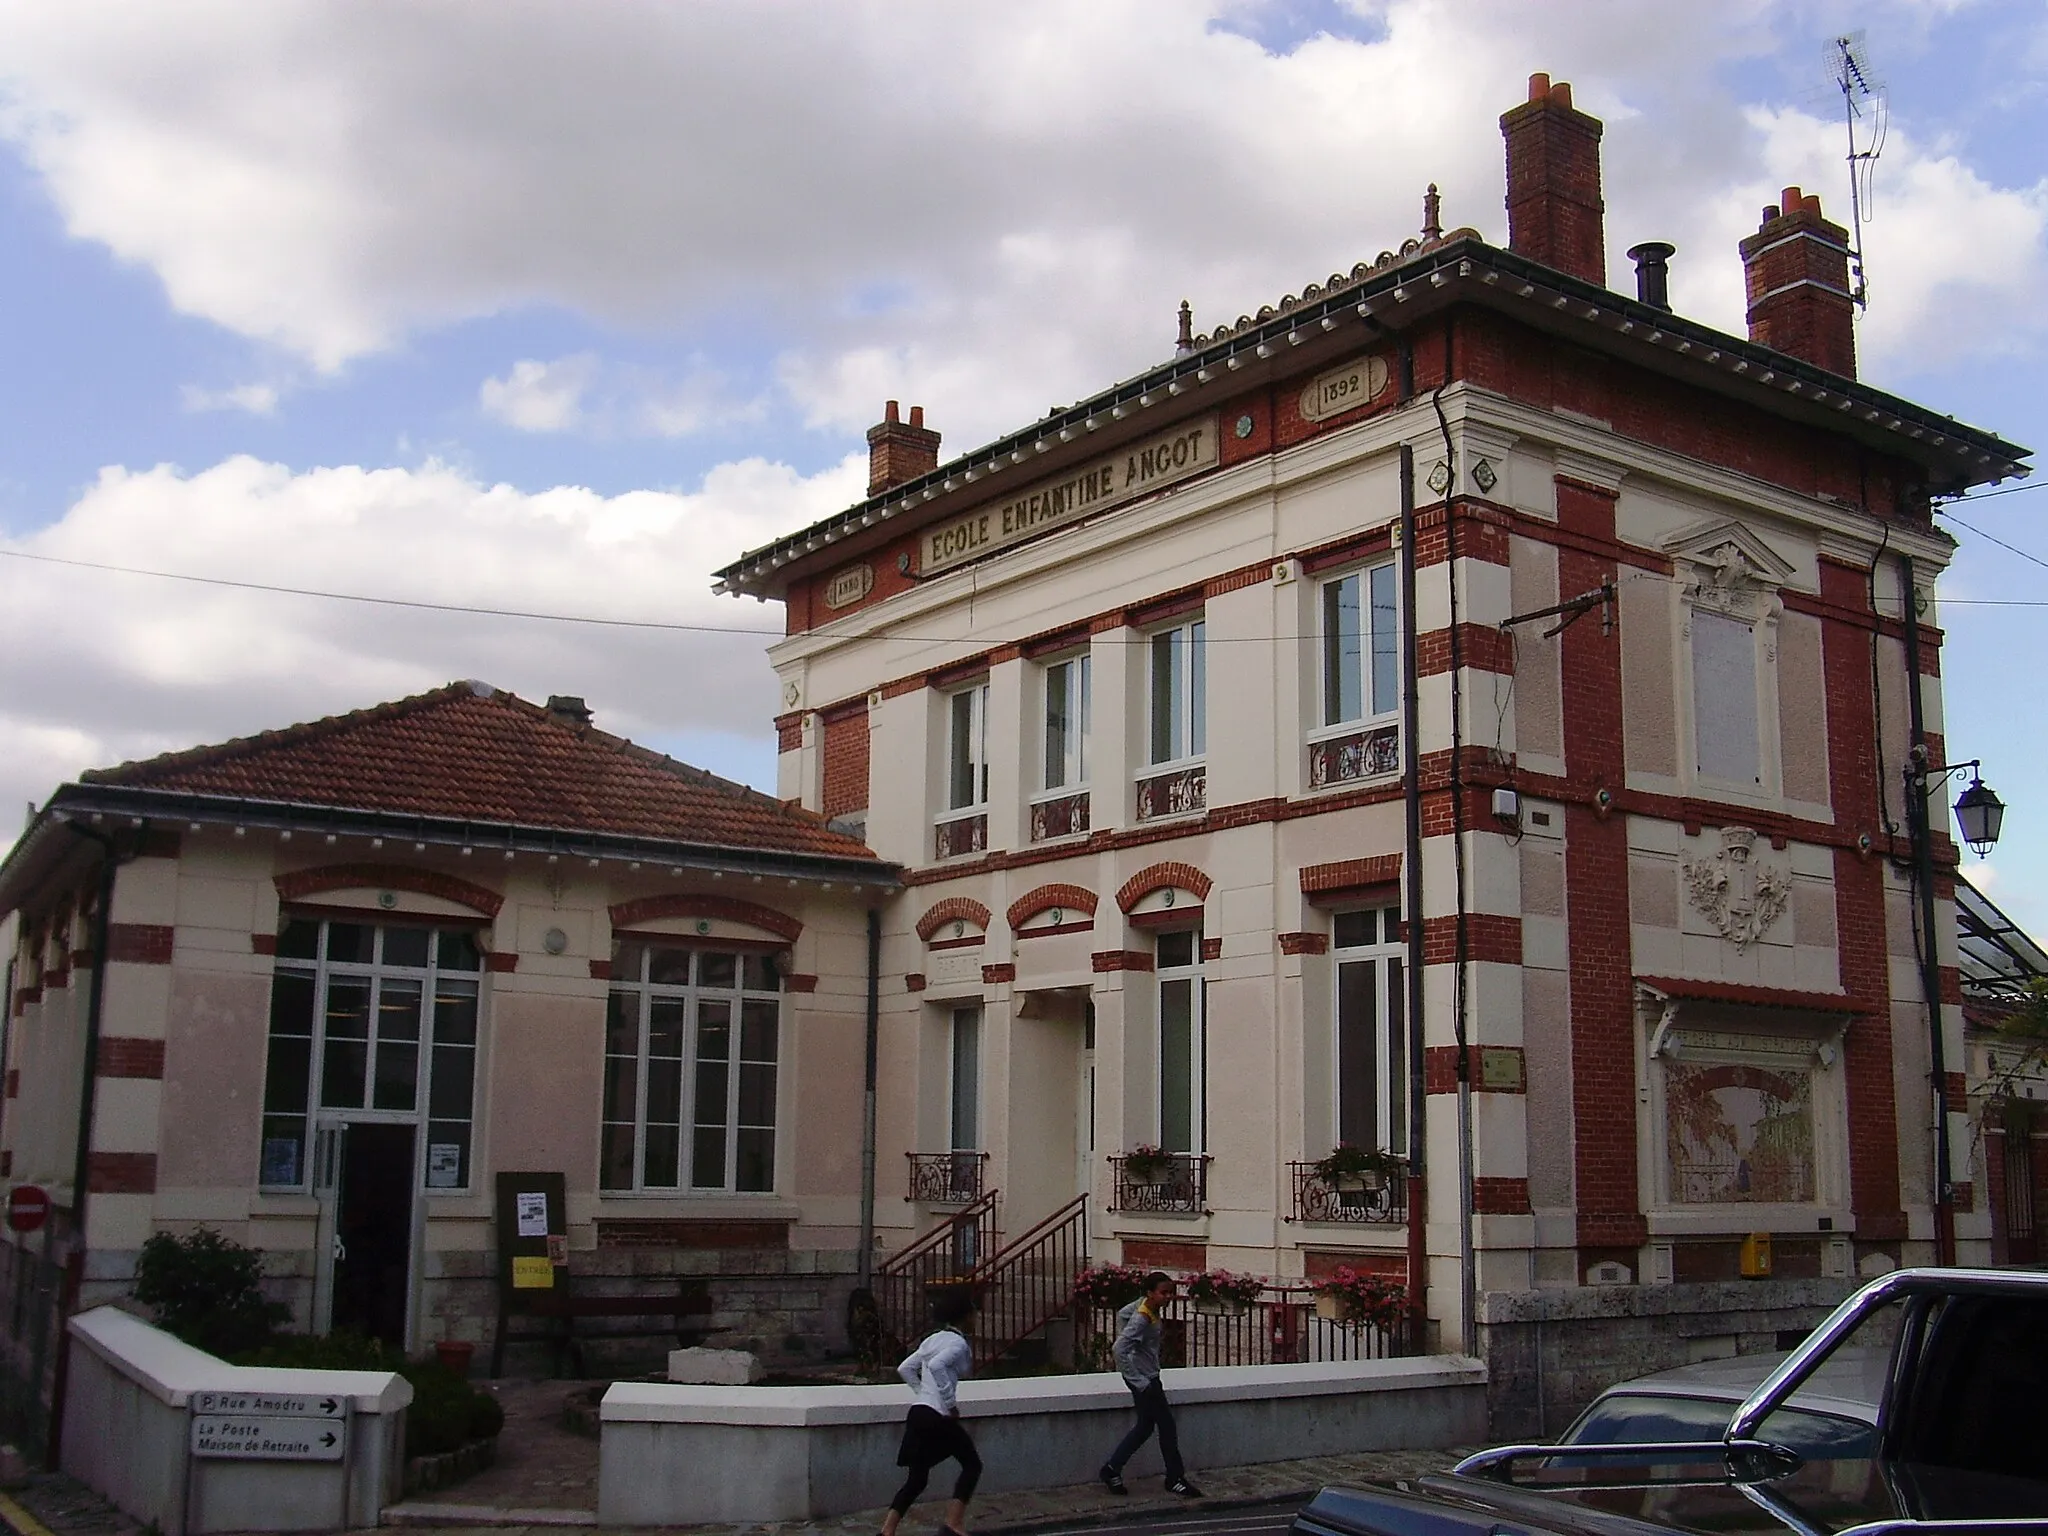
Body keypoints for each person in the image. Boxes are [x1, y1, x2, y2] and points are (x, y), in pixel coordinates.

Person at [882, 1284, 983, 1536]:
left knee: (917, 1479)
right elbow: (938, 1366)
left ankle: (887, 1531)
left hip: (918, 1414)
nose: (976, 1317)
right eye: (974, 1312)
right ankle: (953, 1523)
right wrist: (950, 1404)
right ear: (965, 1316)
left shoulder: (932, 1339)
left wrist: (922, 1394)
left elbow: (905, 1368)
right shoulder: (958, 1344)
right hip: (937, 1416)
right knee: (972, 1464)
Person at [1099, 1272, 1203, 1497]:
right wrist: (1139, 1381)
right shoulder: (1143, 1317)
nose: (1167, 1298)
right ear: (1149, 1292)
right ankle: (1175, 1478)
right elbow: (1119, 1349)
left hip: (1148, 1376)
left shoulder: (1144, 1308)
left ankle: (1112, 1468)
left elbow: (1122, 1313)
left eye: (1170, 1293)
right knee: (1167, 1427)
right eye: (1163, 1293)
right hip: (1146, 1380)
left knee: (1145, 1427)